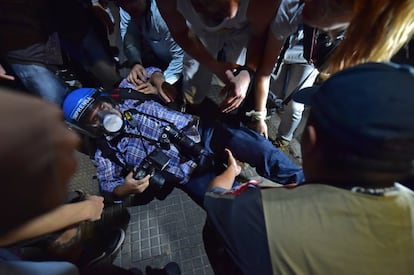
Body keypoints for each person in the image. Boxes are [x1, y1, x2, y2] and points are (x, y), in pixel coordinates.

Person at [203, 62, 414, 274]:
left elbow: (214, 196)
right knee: (273, 159)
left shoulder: (260, 213)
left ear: (310, 141)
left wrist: (232, 171)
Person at [62, 73, 304, 206]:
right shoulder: (105, 152)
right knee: (227, 206)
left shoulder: (126, 91)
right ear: (86, 128)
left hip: (202, 133)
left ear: (106, 99)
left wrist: (157, 80)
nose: (104, 117)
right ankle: (280, 222)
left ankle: (306, 184)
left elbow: (152, 71)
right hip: (186, 173)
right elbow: (108, 188)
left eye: (102, 108)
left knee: (257, 146)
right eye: (93, 120)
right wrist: (124, 189)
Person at [155, 0, 281, 118]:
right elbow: (181, 32)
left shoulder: (266, 2)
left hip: (245, 26)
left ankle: (230, 113)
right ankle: (191, 109)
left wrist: (247, 72)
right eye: (220, 6)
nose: (232, 13)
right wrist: (212, 64)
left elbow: (258, 35)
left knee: (238, 81)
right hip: (201, 26)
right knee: (193, 77)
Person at [116, 0, 184, 86]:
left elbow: (182, 56)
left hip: (188, 64)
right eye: (122, 4)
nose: (128, 7)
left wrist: (162, 85)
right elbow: (131, 36)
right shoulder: (130, 9)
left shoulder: (162, 14)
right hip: (164, 61)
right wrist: (135, 62)